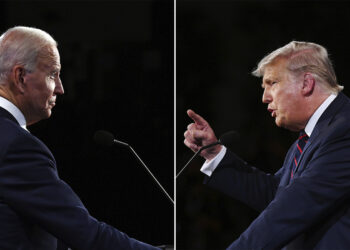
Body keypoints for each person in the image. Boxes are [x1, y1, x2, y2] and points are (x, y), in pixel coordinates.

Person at [0, 26, 159, 250]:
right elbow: (86, 234)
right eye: (53, 74)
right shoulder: (17, 146)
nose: (60, 88)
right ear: (21, 77)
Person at [184, 41, 350, 249]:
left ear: (306, 84)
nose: (264, 97)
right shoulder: (313, 136)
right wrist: (214, 153)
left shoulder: (344, 130)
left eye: (272, 83)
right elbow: (277, 195)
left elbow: (293, 206)